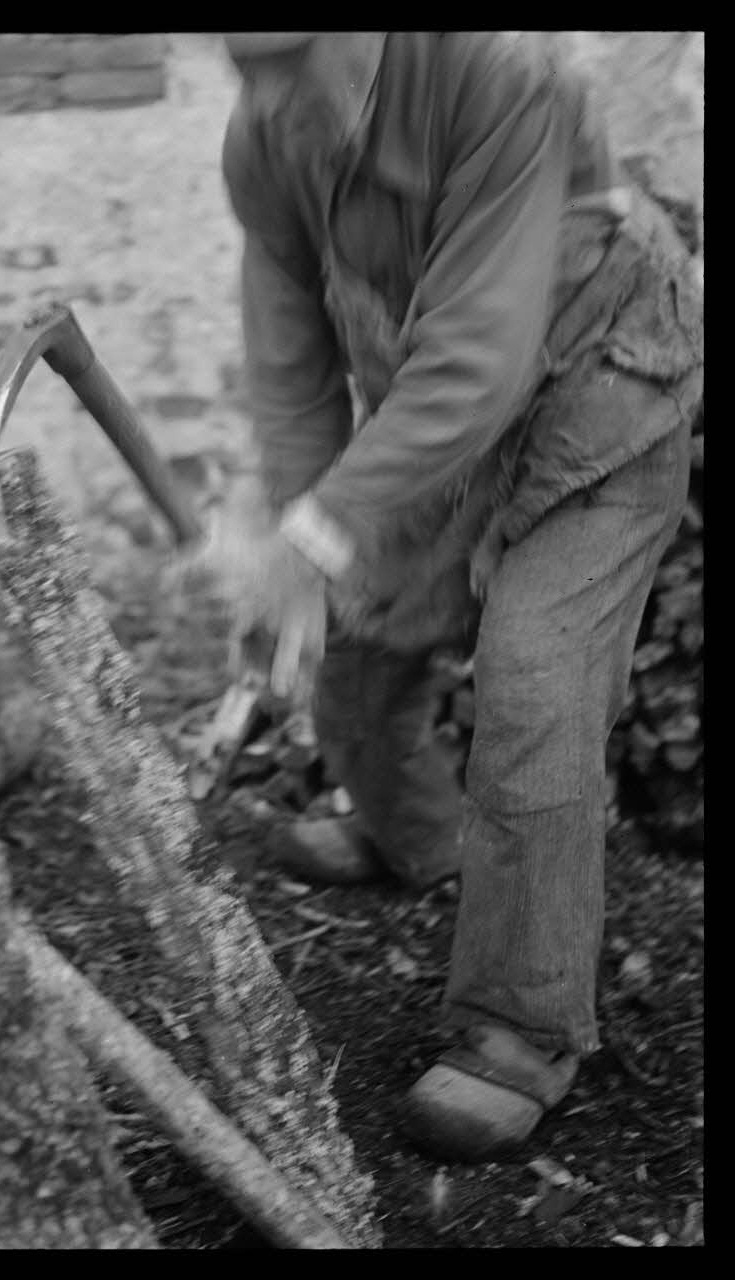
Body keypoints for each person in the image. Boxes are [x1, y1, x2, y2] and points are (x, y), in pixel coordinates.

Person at [216, 32, 702, 1161]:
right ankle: (412, 833)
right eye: (246, 66)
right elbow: (291, 362)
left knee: (537, 677)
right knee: (357, 633)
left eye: (293, 59)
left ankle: (522, 1028)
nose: (273, 97)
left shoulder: (499, 70)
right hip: (437, 398)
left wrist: (327, 526)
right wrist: (306, 532)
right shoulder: (263, 141)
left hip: (599, 379)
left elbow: (480, 353)